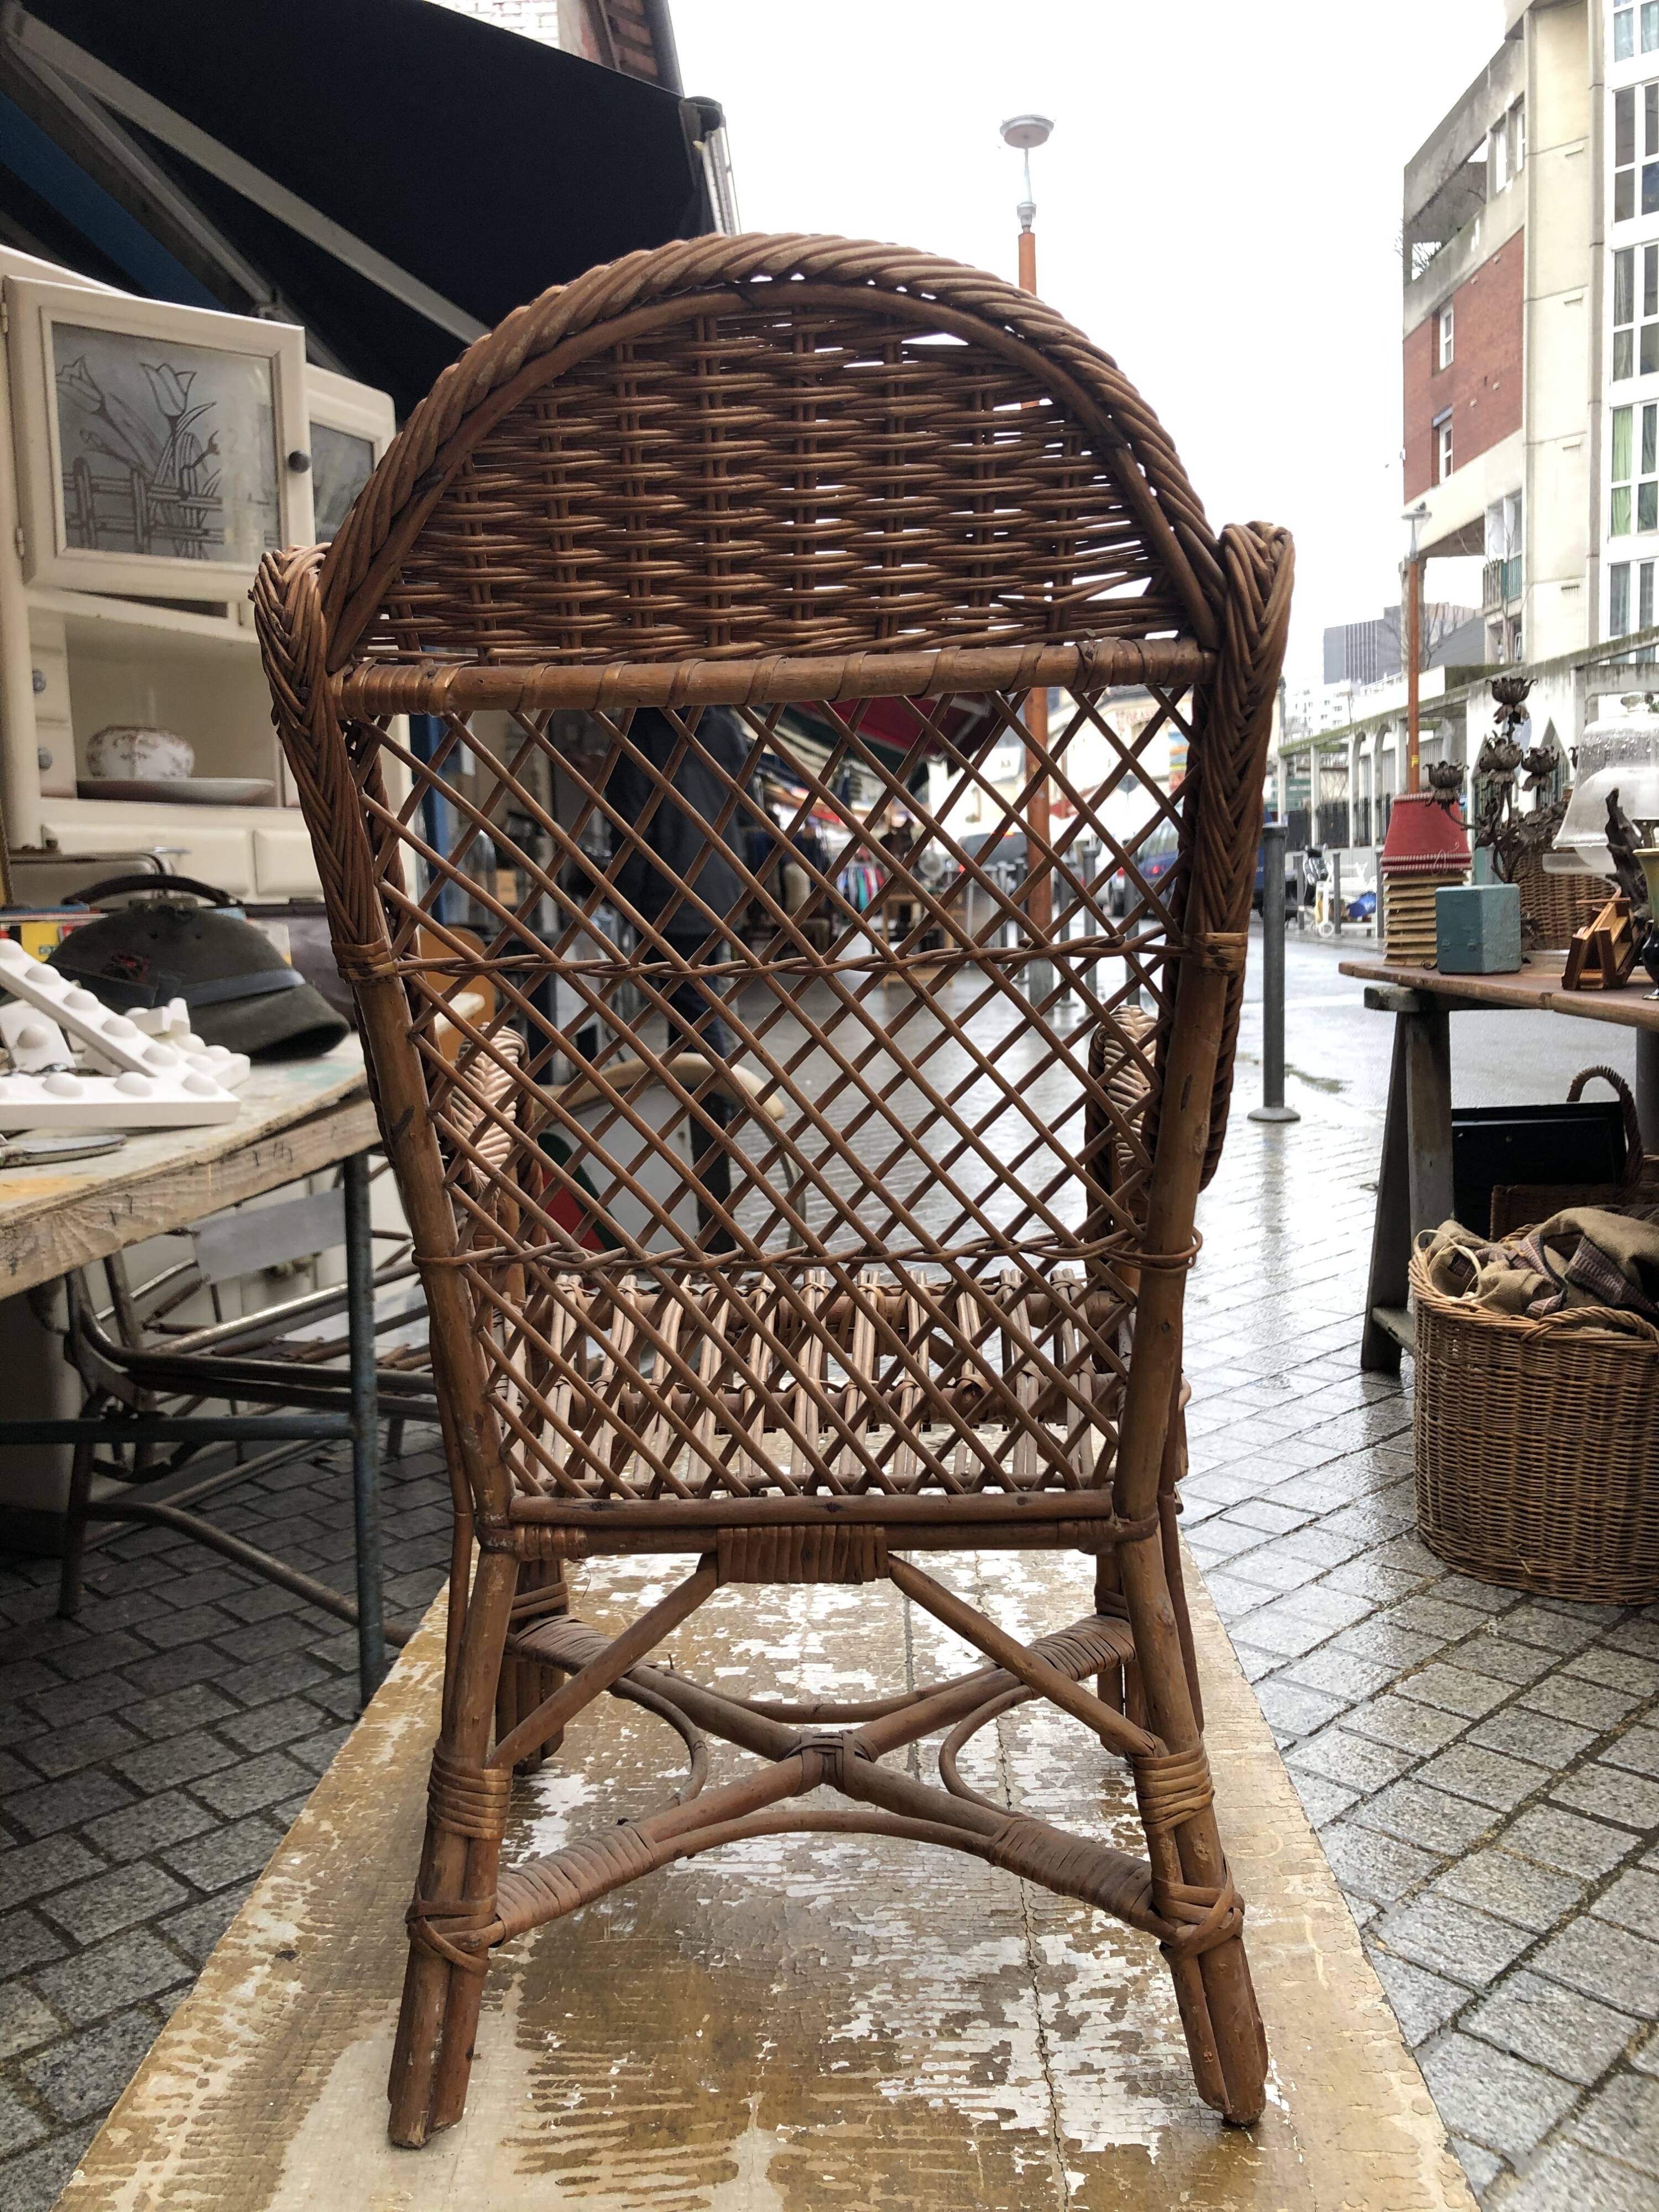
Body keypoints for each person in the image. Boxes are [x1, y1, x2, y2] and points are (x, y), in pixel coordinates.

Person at [604, 705, 753, 1248]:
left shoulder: (643, 731)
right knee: (701, 1021)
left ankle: (712, 1190)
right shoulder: (726, 725)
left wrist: (628, 906)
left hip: (669, 901)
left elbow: (631, 832)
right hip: (719, 893)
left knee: (694, 1033)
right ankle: (709, 1174)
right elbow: (745, 806)